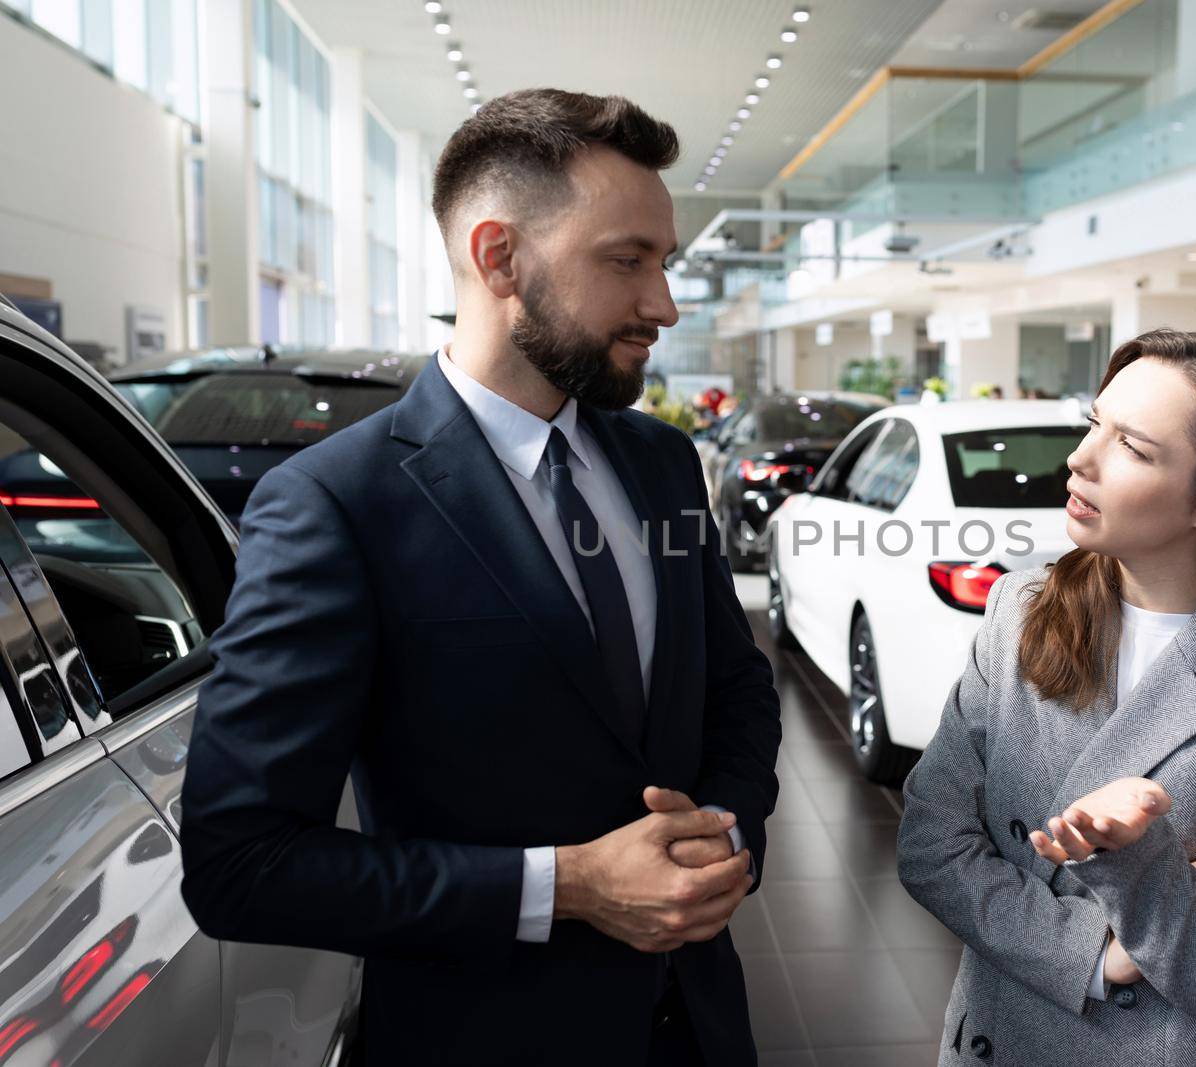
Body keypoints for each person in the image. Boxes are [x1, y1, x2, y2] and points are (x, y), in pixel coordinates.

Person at [179, 89, 782, 1066]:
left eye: (662, 263)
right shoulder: (336, 503)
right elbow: (241, 862)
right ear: (499, 256)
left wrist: (725, 832)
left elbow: (735, 688)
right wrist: (571, 882)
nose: (663, 304)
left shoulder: (662, 465)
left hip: (697, 1028)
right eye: (626, 260)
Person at [898, 329, 1196, 1066]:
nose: (1079, 457)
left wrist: (1138, 860)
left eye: (1132, 446)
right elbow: (930, 846)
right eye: (1095, 423)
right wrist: (1099, 949)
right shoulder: (1020, 611)